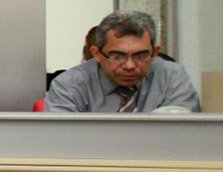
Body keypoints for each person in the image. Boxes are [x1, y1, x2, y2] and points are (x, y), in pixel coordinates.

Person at [46, 11, 200, 113]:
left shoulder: (172, 77)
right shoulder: (69, 85)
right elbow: (61, 141)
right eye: (117, 56)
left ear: (155, 53)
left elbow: (183, 135)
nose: (130, 66)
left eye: (141, 56)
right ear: (97, 53)